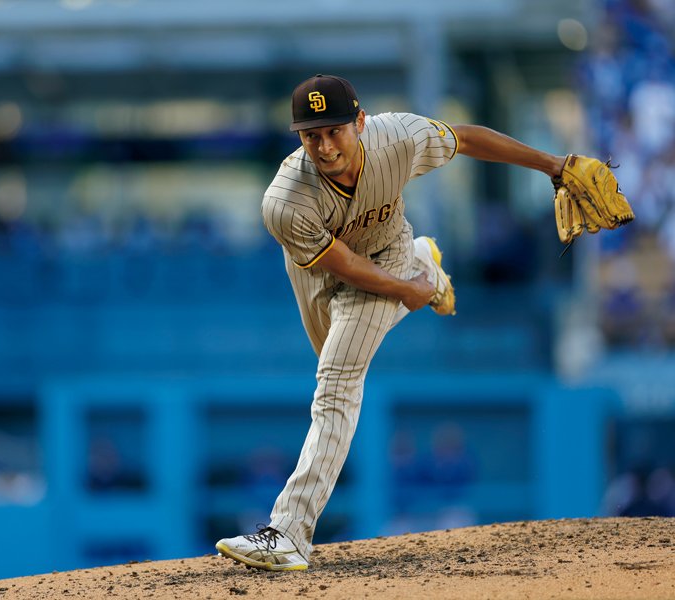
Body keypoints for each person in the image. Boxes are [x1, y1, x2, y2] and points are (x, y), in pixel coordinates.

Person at [215, 74, 567, 571]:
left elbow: (466, 138)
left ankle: (289, 532)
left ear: (360, 122)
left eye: (335, 130)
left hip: (386, 252)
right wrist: (410, 291)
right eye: (311, 135)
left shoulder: (397, 137)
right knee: (333, 357)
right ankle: (425, 268)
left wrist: (555, 165)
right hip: (318, 274)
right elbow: (342, 265)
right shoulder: (284, 201)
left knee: (336, 385)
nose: (325, 145)